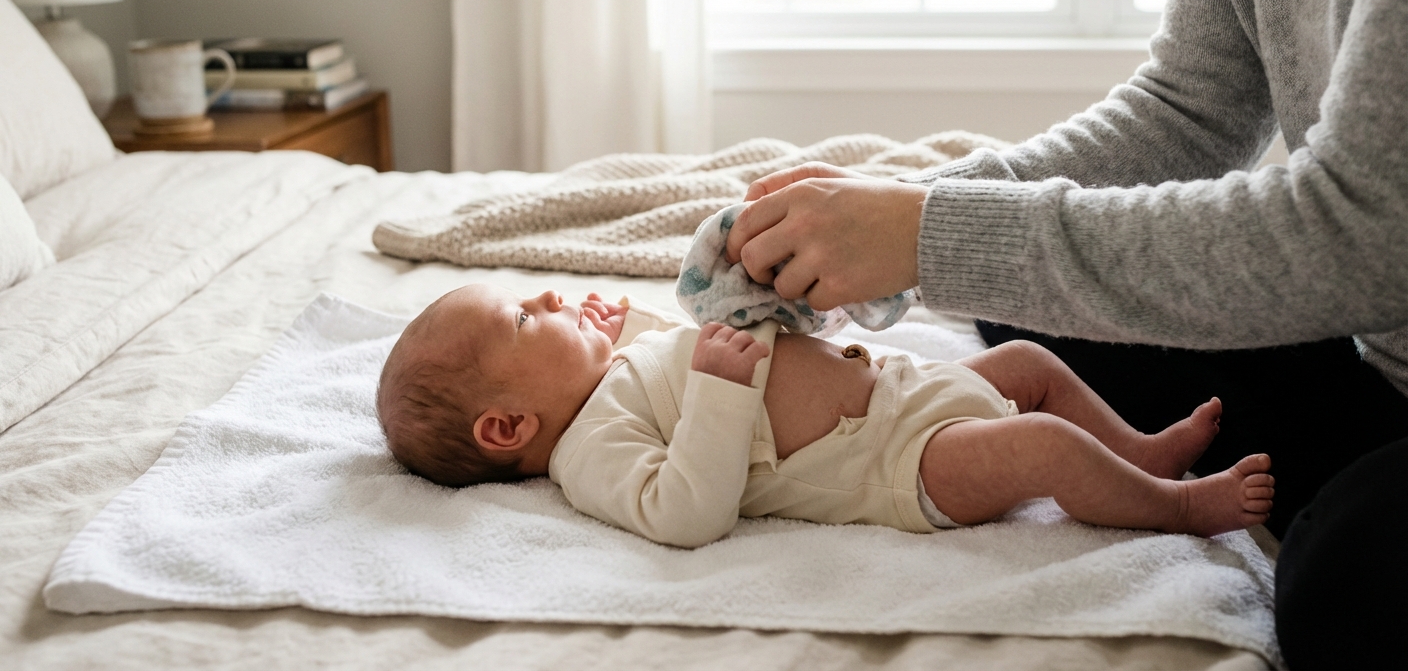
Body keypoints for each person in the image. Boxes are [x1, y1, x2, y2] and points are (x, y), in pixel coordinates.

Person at [720, 0, 1408, 666]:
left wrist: (928, 233)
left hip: (1368, 281)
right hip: (1380, 362)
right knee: (1029, 314)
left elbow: (1366, 231)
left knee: (1339, 581)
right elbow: (1188, 109)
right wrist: (915, 212)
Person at [377, 284, 1273, 549]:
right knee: (1038, 445)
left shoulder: (611, 372)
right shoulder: (589, 452)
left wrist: (613, 329)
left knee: (1029, 365)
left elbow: (683, 351)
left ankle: (1145, 454)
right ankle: (1180, 509)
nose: (545, 296)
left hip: (903, 389)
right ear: (506, 429)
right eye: (523, 318)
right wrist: (723, 392)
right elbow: (686, 511)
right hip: (900, 464)